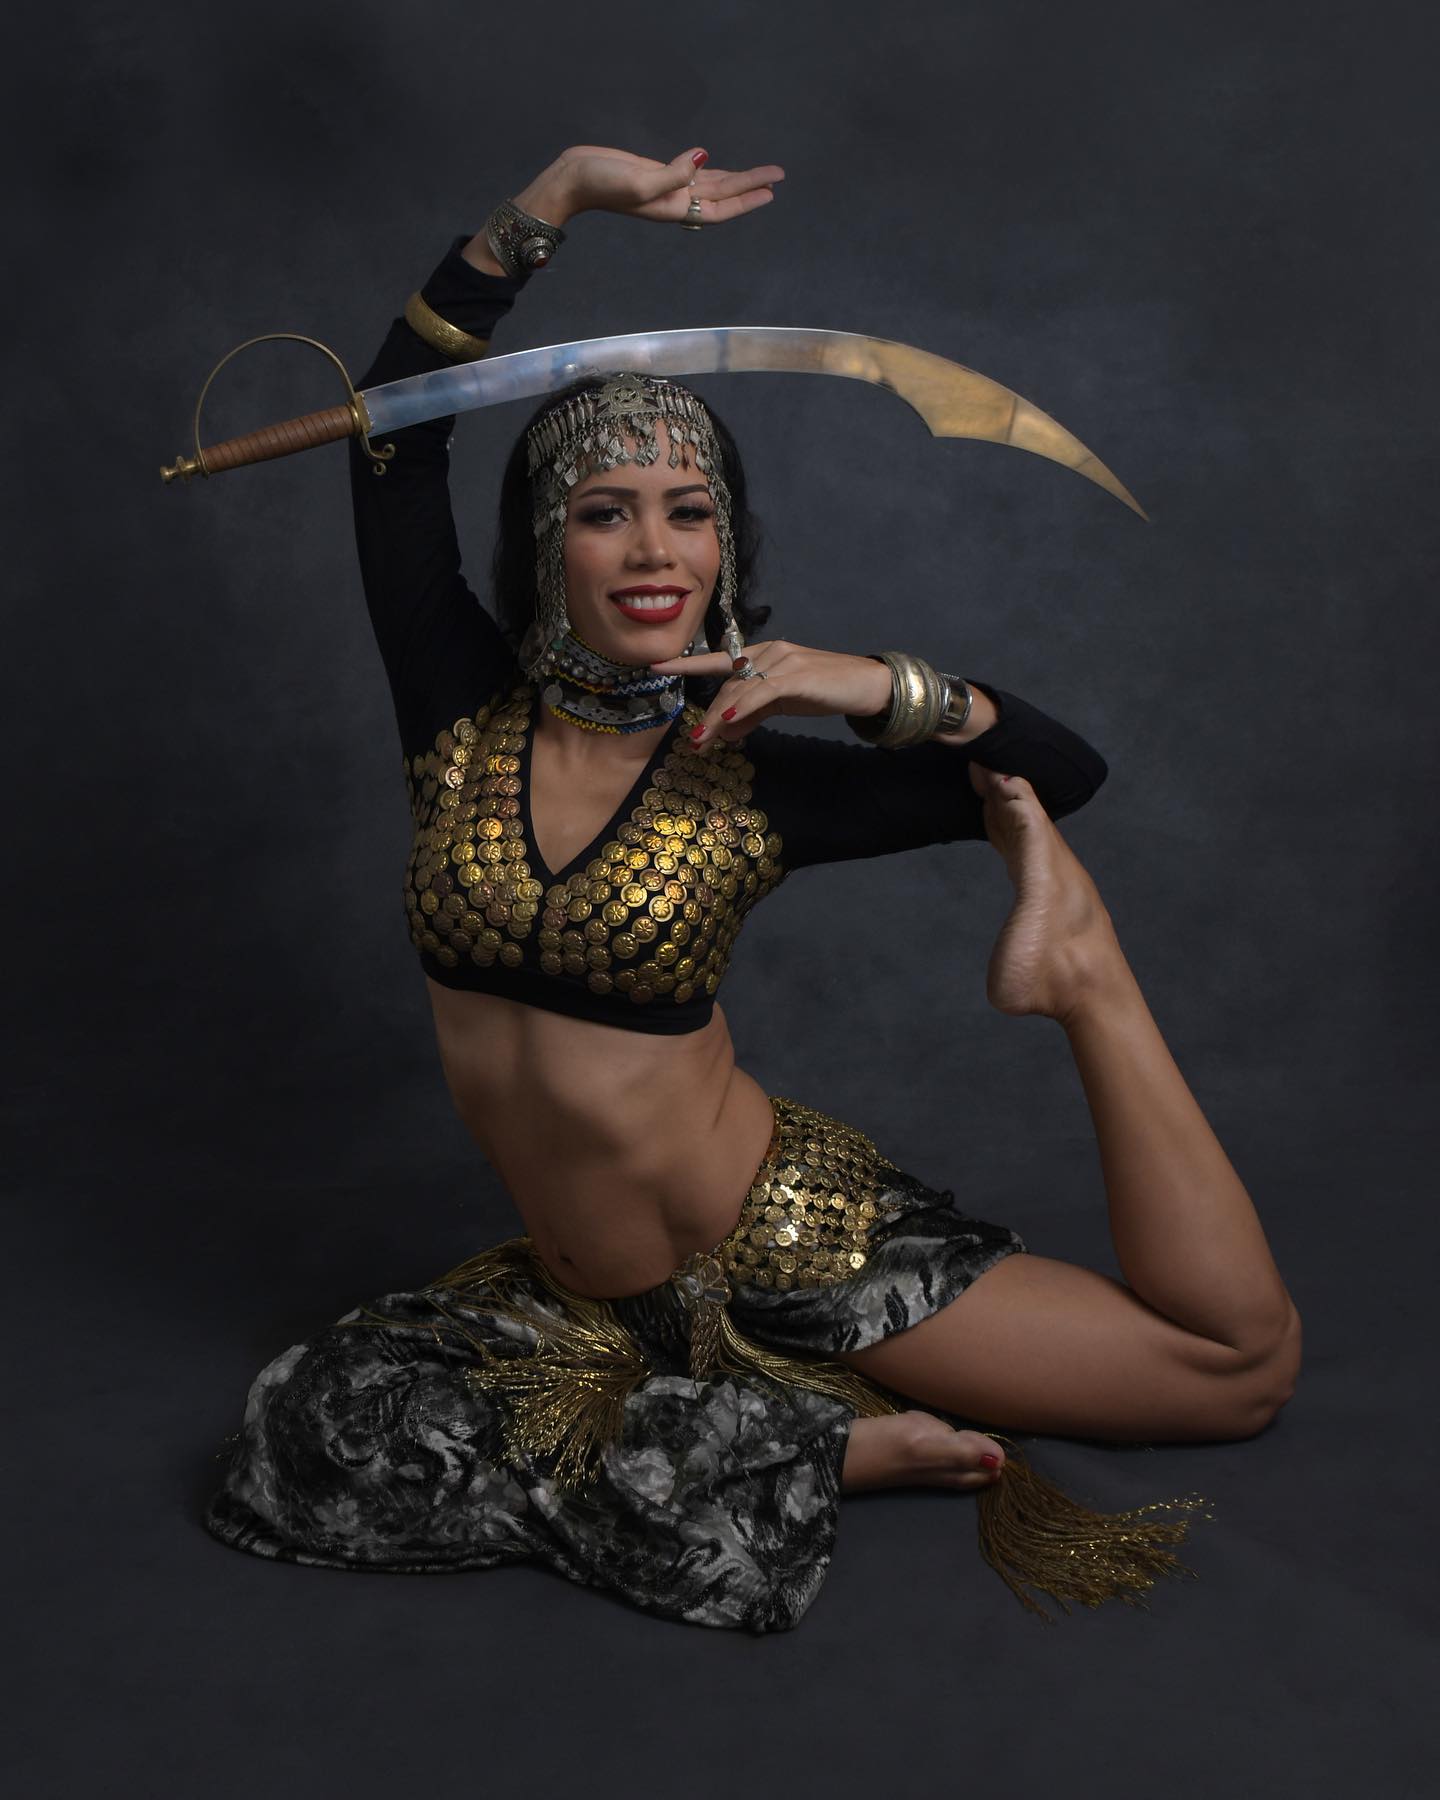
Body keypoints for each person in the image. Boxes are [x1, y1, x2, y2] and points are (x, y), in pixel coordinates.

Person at [203, 143, 1301, 1632]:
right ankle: (800, 1443)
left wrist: (875, 685)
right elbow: (392, 435)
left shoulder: (753, 776)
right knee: (308, 1424)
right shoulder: (455, 709)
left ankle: (1086, 981)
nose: (652, 548)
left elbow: (1061, 769)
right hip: (582, 1306)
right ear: (547, 541)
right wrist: (553, 202)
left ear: (726, 545)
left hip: (784, 1246)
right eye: (604, 510)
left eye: (688, 510)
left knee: (1233, 1376)